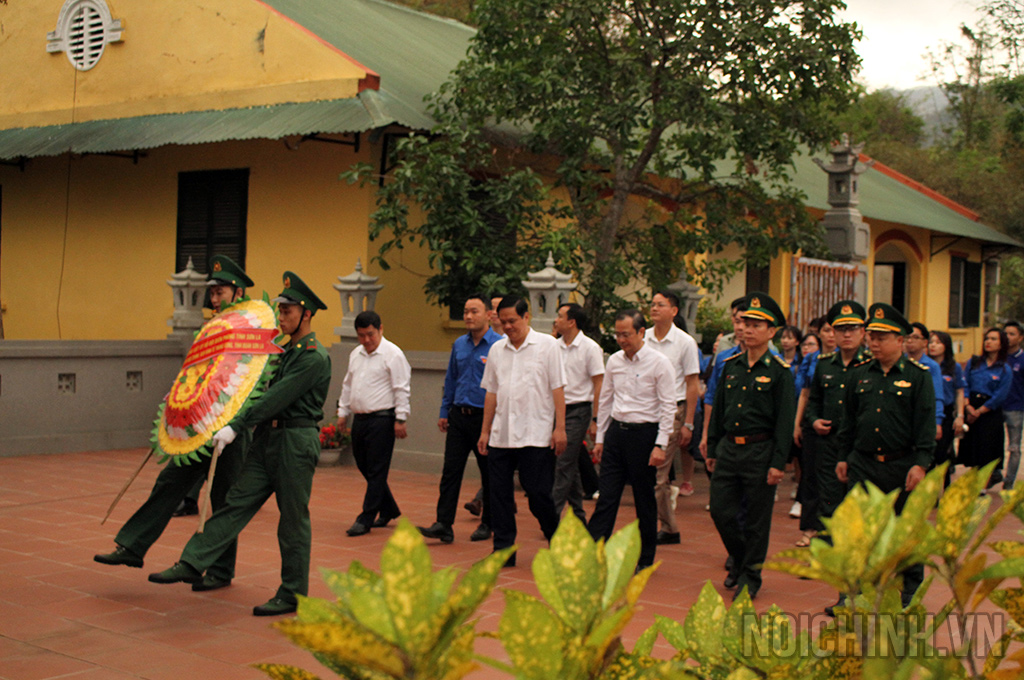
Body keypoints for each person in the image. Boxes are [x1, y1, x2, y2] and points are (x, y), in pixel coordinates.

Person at [148, 271, 332, 617]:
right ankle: (192, 561)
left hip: (295, 440)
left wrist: (235, 425)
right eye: (281, 310)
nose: (282, 316)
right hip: (267, 438)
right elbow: (252, 387)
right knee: (234, 503)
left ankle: (292, 592)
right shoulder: (282, 350)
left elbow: (275, 397)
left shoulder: (312, 356)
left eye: (289, 311)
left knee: (293, 520)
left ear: (306, 314)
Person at [94, 255, 254, 591]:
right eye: (212, 293)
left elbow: (250, 382)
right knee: (169, 481)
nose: (214, 299)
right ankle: (133, 546)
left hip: (230, 430)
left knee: (224, 500)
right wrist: (176, 402)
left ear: (238, 291)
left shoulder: (251, 328)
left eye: (221, 291)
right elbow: (196, 373)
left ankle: (220, 572)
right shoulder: (211, 329)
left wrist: (234, 425)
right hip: (197, 426)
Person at [835, 303, 936, 610]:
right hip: (864, 463)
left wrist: (920, 464)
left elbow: (925, 423)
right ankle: (853, 594)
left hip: (901, 465)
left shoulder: (919, 377)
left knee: (904, 532)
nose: (874, 343)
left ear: (900, 340)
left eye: (881, 337)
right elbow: (848, 421)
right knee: (859, 531)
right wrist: (843, 457)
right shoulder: (859, 375)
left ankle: (908, 593)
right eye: (872, 337)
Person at [707, 293, 795, 601]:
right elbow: (719, 410)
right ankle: (743, 561)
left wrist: (778, 462)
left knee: (757, 520)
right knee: (721, 511)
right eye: (744, 323)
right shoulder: (731, 365)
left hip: (760, 451)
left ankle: (751, 576)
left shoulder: (780, 372)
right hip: (730, 449)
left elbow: (785, 421)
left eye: (756, 324)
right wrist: (713, 448)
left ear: (771, 332)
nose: (747, 329)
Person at [477, 297, 567, 567]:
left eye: (512, 321)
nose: (507, 327)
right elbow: (491, 392)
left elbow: (558, 388)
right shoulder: (496, 350)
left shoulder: (548, 346)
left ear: (526, 317)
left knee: (539, 494)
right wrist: (485, 431)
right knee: (499, 495)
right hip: (501, 434)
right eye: (503, 322)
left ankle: (558, 541)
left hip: (536, 433)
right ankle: (504, 550)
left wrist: (560, 428)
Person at [587, 309, 676, 571]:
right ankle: (592, 553)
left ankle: (645, 558)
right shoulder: (614, 361)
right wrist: (601, 438)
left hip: (644, 436)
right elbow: (606, 400)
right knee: (607, 497)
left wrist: (660, 445)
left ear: (640, 332)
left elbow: (668, 406)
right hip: (616, 434)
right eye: (617, 335)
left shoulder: (659, 363)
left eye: (626, 334)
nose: (622, 339)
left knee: (643, 500)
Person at [419, 294, 501, 543]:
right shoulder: (459, 344)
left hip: (485, 419)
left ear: (488, 314)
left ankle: (489, 523)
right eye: (465, 311)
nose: (468, 316)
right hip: (459, 416)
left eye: (474, 311)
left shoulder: (499, 346)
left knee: (489, 474)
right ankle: (444, 524)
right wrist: (445, 411)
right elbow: (451, 379)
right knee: (450, 472)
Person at [799, 301, 870, 547]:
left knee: (858, 501)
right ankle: (828, 557)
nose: (846, 334)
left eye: (852, 329)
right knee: (828, 500)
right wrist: (814, 420)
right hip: (829, 443)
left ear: (863, 332)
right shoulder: (824, 364)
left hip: (860, 447)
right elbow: (813, 401)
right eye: (841, 329)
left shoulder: (871, 365)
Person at [337, 310, 411, 536]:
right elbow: (348, 384)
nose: (367, 340)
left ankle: (366, 517)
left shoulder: (393, 354)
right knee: (364, 465)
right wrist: (343, 412)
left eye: (370, 334)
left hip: (383, 419)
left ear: (380, 329)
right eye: (361, 336)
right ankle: (389, 508)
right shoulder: (356, 354)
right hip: (360, 418)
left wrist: (401, 418)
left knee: (377, 470)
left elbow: (402, 388)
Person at [646, 290, 700, 545]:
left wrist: (688, 422)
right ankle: (668, 527)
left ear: (674, 311)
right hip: (645, 410)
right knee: (651, 474)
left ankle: (664, 527)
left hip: (673, 412)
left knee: (657, 475)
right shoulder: (642, 337)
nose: (654, 308)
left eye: (660, 305)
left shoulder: (685, 342)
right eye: (652, 304)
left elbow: (692, 383)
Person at [551, 303, 605, 523]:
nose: (556, 320)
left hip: (579, 410)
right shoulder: (554, 346)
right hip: (557, 409)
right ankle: (578, 515)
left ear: (572, 321)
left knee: (562, 461)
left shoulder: (590, 348)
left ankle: (551, 515)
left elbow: (599, 383)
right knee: (569, 463)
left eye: (560, 316)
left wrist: (595, 418)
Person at [958, 327, 1012, 489]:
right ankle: (973, 482)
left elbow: (1000, 395)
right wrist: (968, 407)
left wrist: (980, 411)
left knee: (987, 449)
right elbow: (964, 384)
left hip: (989, 413)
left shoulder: (1004, 369)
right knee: (972, 448)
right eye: (987, 338)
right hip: (971, 406)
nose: (988, 342)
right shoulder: (974, 363)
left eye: (994, 339)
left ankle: (983, 484)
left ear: (1001, 344)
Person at [928, 330, 966, 486]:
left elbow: (959, 392)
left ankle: (945, 489)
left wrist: (960, 416)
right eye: (931, 342)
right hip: (927, 413)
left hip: (946, 413)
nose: (933, 346)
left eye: (937, 342)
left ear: (946, 346)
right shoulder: (924, 365)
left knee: (943, 454)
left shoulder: (954, 367)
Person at [904, 322, 946, 443]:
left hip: (922, 418)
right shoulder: (899, 362)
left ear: (925, 342)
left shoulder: (931, 366)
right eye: (908, 337)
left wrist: (937, 422)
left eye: (915, 337)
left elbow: (937, 396)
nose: (910, 341)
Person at [1002, 321, 1024, 489]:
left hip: (1015, 408)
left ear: (1020, 338)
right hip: (994, 407)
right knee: (991, 444)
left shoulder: (1022, 359)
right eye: (1006, 334)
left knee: (1014, 448)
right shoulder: (997, 357)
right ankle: (992, 475)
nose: (1008, 337)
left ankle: (1008, 483)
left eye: (1012, 334)